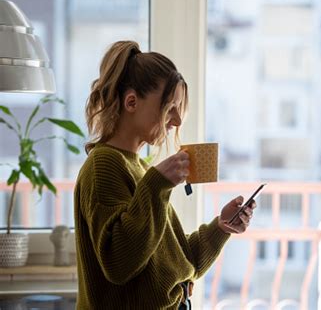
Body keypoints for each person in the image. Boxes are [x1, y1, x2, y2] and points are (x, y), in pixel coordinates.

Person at [74, 41, 256, 309]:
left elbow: (180, 262)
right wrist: (156, 185)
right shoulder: (105, 165)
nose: (177, 121)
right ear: (132, 102)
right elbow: (119, 264)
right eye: (169, 107)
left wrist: (221, 228)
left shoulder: (140, 168)